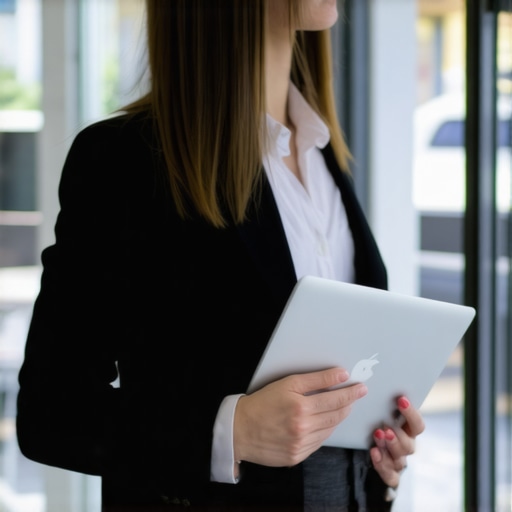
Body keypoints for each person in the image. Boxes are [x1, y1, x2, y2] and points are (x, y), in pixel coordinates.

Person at [16, 0, 425, 510]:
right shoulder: (123, 161)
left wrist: (377, 462)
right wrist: (232, 432)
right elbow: (50, 413)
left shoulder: (325, 159)